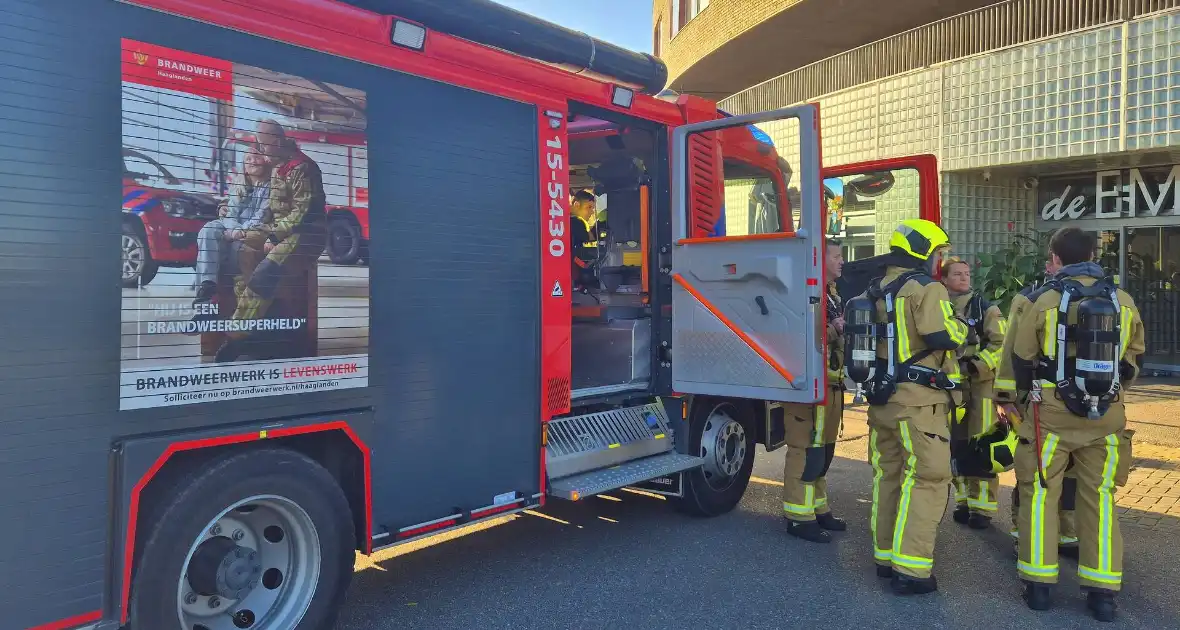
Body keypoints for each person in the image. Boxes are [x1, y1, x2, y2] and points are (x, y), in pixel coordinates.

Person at [998, 227, 1144, 621]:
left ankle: (1040, 586)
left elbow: (1022, 355)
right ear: (1094, 253)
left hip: (1051, 416)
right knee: (1098, 499)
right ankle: (1102, 593)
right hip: (1107, 417)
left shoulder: (1045, 299)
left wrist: (1015, 402)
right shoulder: (1123, 301)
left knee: (1041, 495)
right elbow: (1133, 359)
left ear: (1055, 257)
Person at [849, 219, 967, 595]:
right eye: (938, 252)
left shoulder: (875, 288)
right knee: (929, 480)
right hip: (919, 405)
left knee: (888, 477)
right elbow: (942, 334)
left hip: (882, 400)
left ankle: (886, 557)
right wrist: (964, 326)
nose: (939, 259)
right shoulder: (925, 288)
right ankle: (913, 570)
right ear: (922, 251)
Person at [214, 119, 328, 363]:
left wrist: (275, 236)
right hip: (278, 229)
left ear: (277, 141)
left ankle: (237, 336)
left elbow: (302, 212)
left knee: (267, 271)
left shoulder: (302, 167)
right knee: (239, 250)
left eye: (263, 144)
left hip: (307, 234)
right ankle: (259, 327)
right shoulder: (277, 167)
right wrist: (248, 228)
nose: (260, 150)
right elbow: (269, 208)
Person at [997, 256, 1078, 557]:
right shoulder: (1031, 298)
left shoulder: (1035, 300)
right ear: (1051, 265)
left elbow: (1013, 352)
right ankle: (1025, 528)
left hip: (1051, 401)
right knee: (1034, 470)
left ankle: (1065, 531)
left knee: (1064, 471)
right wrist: (1005, 399)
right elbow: (1011, 351)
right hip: (1046, 401)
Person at [782, 239, 847, 542]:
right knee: (804, 453)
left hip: (830, 389)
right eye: (836, 256)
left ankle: (819, 511)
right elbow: (807, 338)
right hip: (807, 392)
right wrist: (838, 328)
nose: (842, 261)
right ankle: (798, 518)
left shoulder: (831, 295)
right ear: (819, 262)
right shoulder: (805, 296)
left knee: (823, 453)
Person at [941, 257, 1006, 530]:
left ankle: (983, 509)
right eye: (957, 274)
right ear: (944, 279)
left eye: (967, 274)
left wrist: (975, 365)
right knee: (956, 446)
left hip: (980, 389)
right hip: (951, 390)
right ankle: (964, 500)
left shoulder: (985, 308)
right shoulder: (938, 306)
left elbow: (1001, 344)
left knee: (980, 445)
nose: (964, 278)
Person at [191, 144, 273, 312]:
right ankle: (207, 287)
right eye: (247, 159)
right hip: (232, 228)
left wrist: (237, 233)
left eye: (255, 157)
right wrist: (233, 229)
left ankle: (207, 309)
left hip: (251, 232)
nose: (251, 161)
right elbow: (231, 212)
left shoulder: (272, 186)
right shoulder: (239, 183)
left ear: (265, 160)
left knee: (231, 249)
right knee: (208, 230)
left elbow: (261, 216)